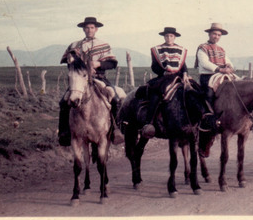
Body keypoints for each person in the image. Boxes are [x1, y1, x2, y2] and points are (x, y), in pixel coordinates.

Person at [58, 16, 124, 146]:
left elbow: (112, 63)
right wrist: (80, 67)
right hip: (80, 79)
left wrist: (98, 64)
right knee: (64, 102)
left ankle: (117, 130)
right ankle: (64, 132)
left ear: (96, 29)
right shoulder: (74, 45)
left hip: (99, 77)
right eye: (87, 27)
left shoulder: (103, 45)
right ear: (83, 29)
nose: (89, 30)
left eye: (92, 27)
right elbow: (67, 61)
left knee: (115, 98)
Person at [140, 27, 188, 138]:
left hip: (178, 76)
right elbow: (154, 66)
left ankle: (194, 122)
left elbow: (183, 65)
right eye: (167, 36)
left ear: (175, 37)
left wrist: (185, 73)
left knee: (192, 91)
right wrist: (163, 71)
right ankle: (149, 123)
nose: (169, 38)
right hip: (164, 76)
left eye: (171, 36)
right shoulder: (158, 50)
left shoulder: (180, 50)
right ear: (164, 37)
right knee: (156, 93)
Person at [195, 22, 234, 103]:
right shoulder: (203, 47)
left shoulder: (221, 49)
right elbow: (205, 63)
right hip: (208, 76)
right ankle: (207, 113)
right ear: (209, 34)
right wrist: (221, 70)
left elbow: (227, 60)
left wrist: (229, 66)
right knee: (209, 95)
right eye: (214, 34)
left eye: (219, 35)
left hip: (220, 76)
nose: (216, 37)